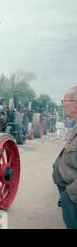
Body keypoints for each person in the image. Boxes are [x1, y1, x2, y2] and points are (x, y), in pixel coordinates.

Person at [53, 86, 77, 229]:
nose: (63, 104)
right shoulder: (74, 126)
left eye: (65, 101)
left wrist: (70, 193)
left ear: (75, 103)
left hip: (72, 196)